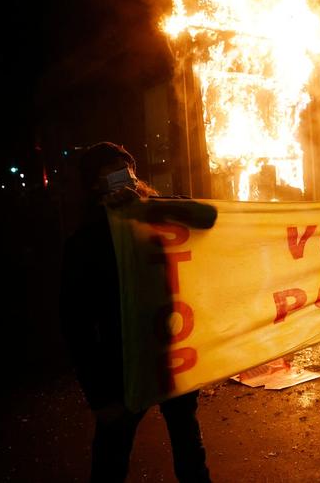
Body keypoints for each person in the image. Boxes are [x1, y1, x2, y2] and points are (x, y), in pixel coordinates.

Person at [60, 142, 211, 483]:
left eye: (127, 167)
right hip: (122, 369)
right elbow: (75, 323)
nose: (124, 175)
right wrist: (99, 398)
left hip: (173, 354)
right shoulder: (85, 241)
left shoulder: (155, 216)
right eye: (111, 169)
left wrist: (146, 206)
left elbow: (208, 216)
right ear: (94, 184)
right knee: (111, 461)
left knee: (190, 449)